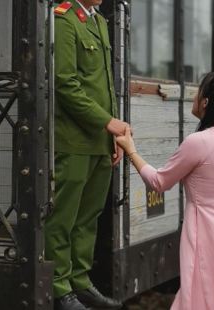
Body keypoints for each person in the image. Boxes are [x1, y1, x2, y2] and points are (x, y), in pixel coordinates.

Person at [116, 72, 214, 310]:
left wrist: (131, 150)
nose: (195, 96)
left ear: (206, 102)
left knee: (199, 299)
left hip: (206, 236)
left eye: (198, 91)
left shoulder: (199, 142)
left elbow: (159, 182)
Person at [46, 1, 126, 309]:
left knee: (88, 217)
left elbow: (106, 84)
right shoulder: (64, 19)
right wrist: (108, 122)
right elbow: (65, 84)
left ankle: (79, 281)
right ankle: (58, 286)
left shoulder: (99, 22)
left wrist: (115, 134)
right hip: (73, 139)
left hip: (100, 140)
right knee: (63, 217)